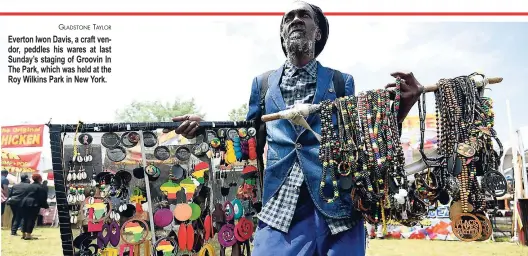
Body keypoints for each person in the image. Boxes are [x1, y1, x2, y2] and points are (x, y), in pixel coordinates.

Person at [170, 1, 422, 255]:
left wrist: (403, 107)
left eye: (305, 15)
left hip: (337, 207)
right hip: (280, 208)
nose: (296, 19)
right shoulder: (263, 84)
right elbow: (247, 143)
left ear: (318, 32)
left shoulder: (340, 81)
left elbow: (365, 142)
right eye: (289, 17)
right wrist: (206, 130)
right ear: (282, 33)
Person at [18, 173, 49, 240]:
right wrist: (46, 206)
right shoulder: (40, 187)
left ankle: (23, 234)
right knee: (31, 219)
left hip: (24, 203)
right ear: (40, 179)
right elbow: (42, 198)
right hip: (33, 204)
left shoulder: (29, 186)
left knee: (25, 218)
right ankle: (28, 235)